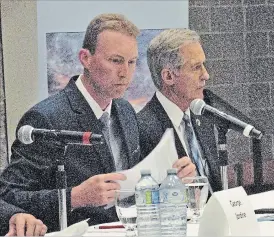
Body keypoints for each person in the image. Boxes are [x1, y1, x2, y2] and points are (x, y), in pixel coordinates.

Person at [0, 14, 195, 232]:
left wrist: (167, 180)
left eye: (131, 62)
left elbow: (129, 185)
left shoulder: (125, 111)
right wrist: (74, 197)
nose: (125, 73)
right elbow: (8, 195)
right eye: (115, 61)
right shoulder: (46, 118)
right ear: (85, 58)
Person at [137, 29, 230, 193]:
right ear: (168, 77)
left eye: (203, 65)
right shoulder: (141, 128)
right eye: (196, 67)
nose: (206, 75)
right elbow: (138, 196)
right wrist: (170, 187)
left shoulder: (202, 118)